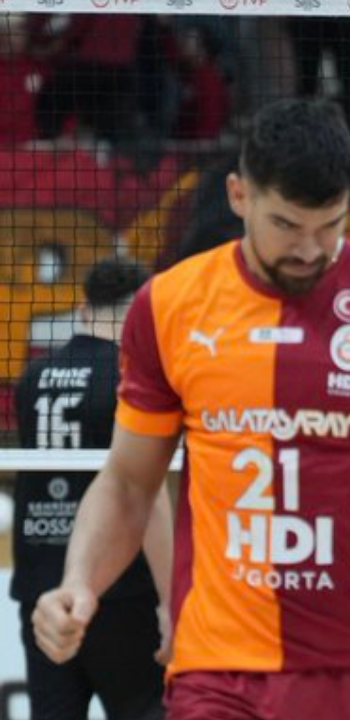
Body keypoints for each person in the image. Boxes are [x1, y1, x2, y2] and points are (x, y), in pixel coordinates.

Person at [29, 97, 350, 720]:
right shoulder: (169, 306)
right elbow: (130, 483)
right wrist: (79, 583)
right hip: (220, 669)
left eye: (330, 225)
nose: (309, 248)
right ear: (239, 195)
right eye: (287, 225)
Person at [10, 258, 169, 720]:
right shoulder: (134, 381)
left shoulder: (32, 378)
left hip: (42, 589)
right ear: (143, 315)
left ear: (83, 310)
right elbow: (143, 490)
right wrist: (170, 600)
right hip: (122, 589)